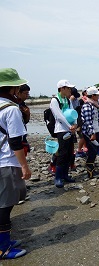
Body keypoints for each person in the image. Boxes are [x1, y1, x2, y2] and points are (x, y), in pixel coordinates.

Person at [0, 68, 31, 259]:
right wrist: (24, 166)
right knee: (5, 205)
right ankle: (3, 248)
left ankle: (5, 240)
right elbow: (15, 142)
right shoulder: (11, 109)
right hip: (7, 162)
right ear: (12, 88)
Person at [50, 80, 77, 188]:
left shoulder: (68, 100)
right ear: (62, 89)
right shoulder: (55, 100)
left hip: (70, 130)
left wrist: (74, 124)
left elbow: (73, 112)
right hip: (61, 130)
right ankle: (58, 177)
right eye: (68, 88)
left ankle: (65, 175)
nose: (70, 90)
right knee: (62, 153)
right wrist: (69, 126)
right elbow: (59, 116)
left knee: (70, 152)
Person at [81, 86, 99, 179]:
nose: (98, 97)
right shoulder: (87, 106)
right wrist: (92, 133)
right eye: (97, 95)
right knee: (92, 151)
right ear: (93, 95)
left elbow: (97, 120)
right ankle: (90, 172)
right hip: (90, 133)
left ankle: (91, 166)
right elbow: (87, 121)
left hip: (96, 130)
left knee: (95, 150)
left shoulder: (94, 105)